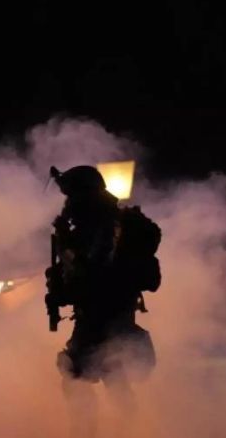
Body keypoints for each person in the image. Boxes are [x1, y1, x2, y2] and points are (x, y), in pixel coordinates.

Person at [45, 165, 161, 435]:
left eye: (71, 195)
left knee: (76, 376)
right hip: (105, 315)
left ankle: (88, 432)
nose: (68, 202)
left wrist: (66, 248)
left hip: (105, 315)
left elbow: (93, 272)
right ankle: (125, 429)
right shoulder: (99, 223)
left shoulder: (106, 226)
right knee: (112, 376)